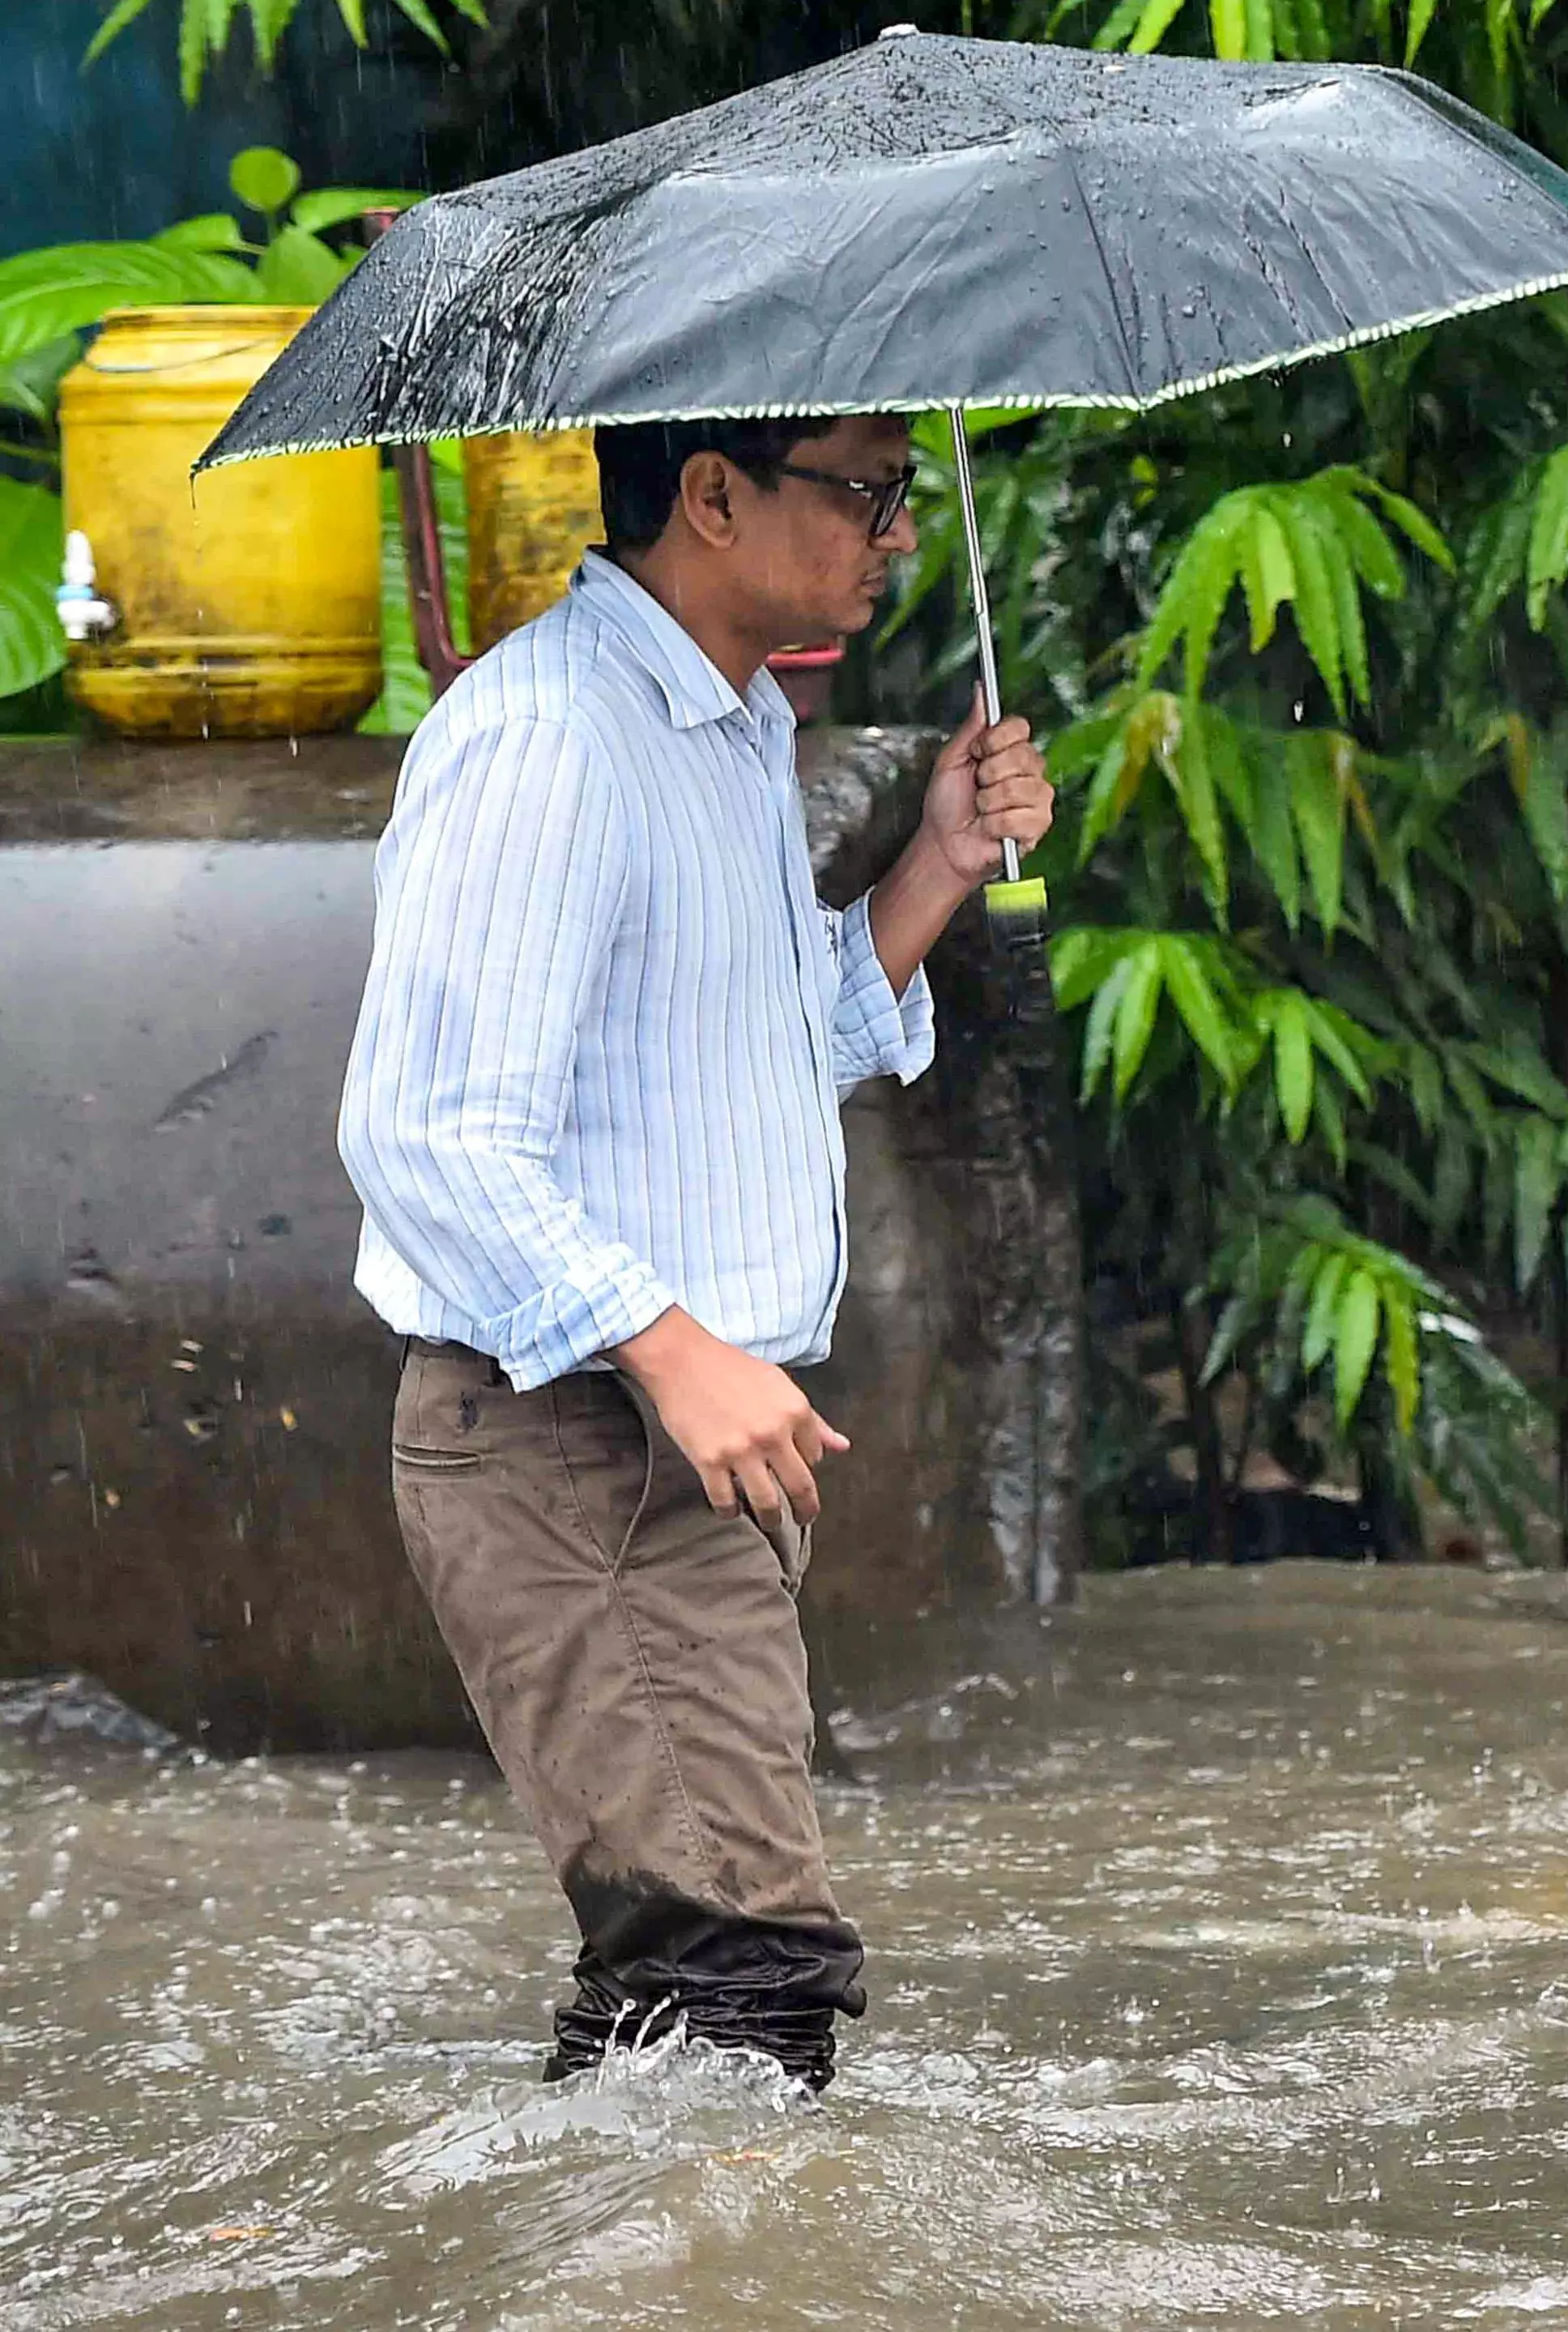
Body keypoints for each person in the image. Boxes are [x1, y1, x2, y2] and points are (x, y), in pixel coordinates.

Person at [337, 411, 1053, 2090]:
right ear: (714, 496)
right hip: (573, 1441)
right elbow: (429, 1129)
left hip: (686, 1448)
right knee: (738, 1978)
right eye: (860, 491)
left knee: (704, 1993)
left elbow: (768, 1030)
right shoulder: (547, 736)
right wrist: (671, 1346)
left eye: (896, 492)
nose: (893, 531)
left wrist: (943, 856)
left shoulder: (727, 725)